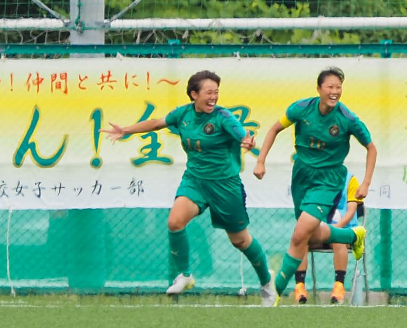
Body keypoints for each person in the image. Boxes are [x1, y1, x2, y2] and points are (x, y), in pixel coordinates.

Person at [102, 70, 276, 306]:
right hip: (195, 180)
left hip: (225, 186)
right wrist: (125, 130)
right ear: (194, 94)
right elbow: (156, 123)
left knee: (240, 241)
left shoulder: (223, 117)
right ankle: (184, 275)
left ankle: (266, 282)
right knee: (174, 222)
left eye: (216, 92)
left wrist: (247, 140)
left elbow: (241, 133)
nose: (213, 97)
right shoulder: (183, 114)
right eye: (208, 92)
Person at [254, 68, 375, 304]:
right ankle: (352, 235)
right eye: (330, 87)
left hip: (328, 179)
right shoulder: (301, 109)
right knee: (307, 235)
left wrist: (366, 183)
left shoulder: (347, 119)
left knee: (299, 234)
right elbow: (274, 129)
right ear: (319, 89)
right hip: (301, 174)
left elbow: (371, 147)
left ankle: (275, 291)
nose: (335, 91)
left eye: (338, 87)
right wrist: (260, 161)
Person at [292, 174, 360, 304]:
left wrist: (335, 228)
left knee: (338, 239)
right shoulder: (315, 178)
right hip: (319, 231)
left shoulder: (350, 180)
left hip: (343, 230)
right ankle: (300, 287)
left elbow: (351, 211)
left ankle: (339, 286)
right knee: (301, 240)